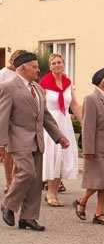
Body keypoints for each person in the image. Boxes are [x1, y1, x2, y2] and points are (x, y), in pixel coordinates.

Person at [0, 52, 69, 231]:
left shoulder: (37, 88)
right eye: (35, 67)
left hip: (37, 139)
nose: (39, 70)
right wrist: (1, 143)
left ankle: (28, 218)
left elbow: (45, 116)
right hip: (18, 139)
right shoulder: (8, 87)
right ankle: (8, 204)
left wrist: (59, 137)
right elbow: (2, 117)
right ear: (23, 68)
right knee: (28, 173)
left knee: (36, 180)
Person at [73, 67, 104, 226]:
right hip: (97, 148)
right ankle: (82, 201)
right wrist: (88, 151)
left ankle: (99, 213)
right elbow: (88, 127)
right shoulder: (91, 99)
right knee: (99, 180)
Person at [39, 54, 82, 207]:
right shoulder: (43, 83)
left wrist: (84, 121)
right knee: (53, 156)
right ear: (50, 67)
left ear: (63, 64)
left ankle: (55, 192)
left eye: (59, 62)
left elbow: (75, 104)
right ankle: (50, 193)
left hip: (65, 121)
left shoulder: (68, 83)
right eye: (54, 63)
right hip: (50, 123)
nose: (57, 65)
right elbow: (40, 106)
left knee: (63, 157)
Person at [0, 49, 26, 194]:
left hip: (20, 117)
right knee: (9, 153)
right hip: (7, 116)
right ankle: (9, 181)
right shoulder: (3, 74)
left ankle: (15, 180)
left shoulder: (21, 73)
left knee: (18, 151)